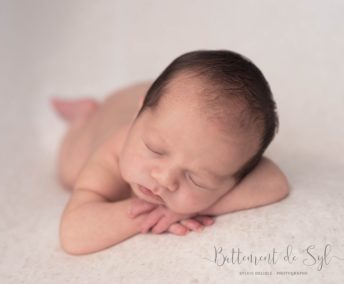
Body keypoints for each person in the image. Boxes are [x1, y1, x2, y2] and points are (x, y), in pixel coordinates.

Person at [52, 50, 290, 255]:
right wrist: (150, 214)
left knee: (174, 111)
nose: (164, 179)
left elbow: (275, 182)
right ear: (138, 116)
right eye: (155, 150)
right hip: (104, 122)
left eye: (196, 179)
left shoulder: (197, 144)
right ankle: (85, 112)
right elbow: (73, 234)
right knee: (70, 172)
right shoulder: (112, 153)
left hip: (160, 107)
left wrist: (188, 207)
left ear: (232, 181)